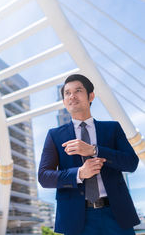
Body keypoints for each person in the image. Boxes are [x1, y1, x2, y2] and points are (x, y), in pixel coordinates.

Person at [38, 74, 140, 235]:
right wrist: (79, 173)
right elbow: (44, 177)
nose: (72, 96)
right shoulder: (54, 136)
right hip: (76, 219)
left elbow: (131, 163)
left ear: (91, 96)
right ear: (64, 102)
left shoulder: (112, 129)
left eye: (78, 90)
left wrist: (94, 150)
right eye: (67, 93)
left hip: (117, 214)